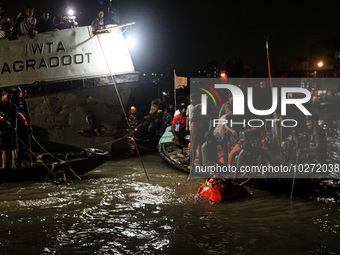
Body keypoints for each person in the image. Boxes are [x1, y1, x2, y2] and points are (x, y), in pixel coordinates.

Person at [11, 87, 31, 167]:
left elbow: (27, 113)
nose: (18, 94)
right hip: (12, 126)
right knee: (12, 144)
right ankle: (12, 161)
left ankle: (20, 160)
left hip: (22, 124)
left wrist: (29, 126)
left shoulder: (23, 101)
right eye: (16, 92)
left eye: (19, 92)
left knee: (22, 144)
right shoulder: (10, 101)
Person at [0, 88, 17, 169]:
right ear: (3, 95)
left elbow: (14, 118)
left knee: (7, 149)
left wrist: (14, 127)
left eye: (11, 96)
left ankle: (5, 167)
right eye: (8, 96)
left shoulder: (12, 106)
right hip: (0, 129)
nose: (10, 98)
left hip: (8, 130)